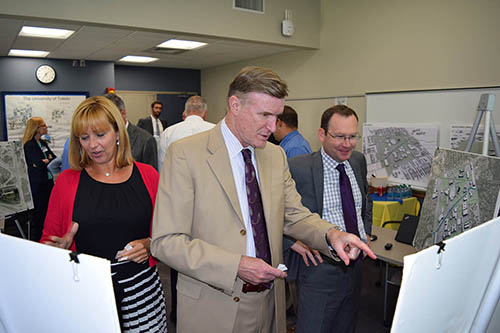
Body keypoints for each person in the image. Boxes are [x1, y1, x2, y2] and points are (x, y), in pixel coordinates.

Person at [151, 66, 375, 333]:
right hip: (214, 306)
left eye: (277, 116)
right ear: (235, 105)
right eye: (264, 115)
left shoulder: (274, 156)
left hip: (270, 303)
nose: (273, 127)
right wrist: (237, 265)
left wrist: (332, 235)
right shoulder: (186, 155)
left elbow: (295, 215)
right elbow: (166, 242)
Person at [40, 96, 167, 332]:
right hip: (88, 293)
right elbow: (48, 242)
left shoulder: (148, 176)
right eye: (84, 138)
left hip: (142, 292)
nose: (93, 145)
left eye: (100, 135)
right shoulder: (67, 182)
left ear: (117, 132)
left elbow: (166, 234)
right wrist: (58, 251)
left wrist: (150, 244)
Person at [287, 105, 372, 333]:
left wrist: (365, 234)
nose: (347, 144)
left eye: (352, 136)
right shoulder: (298, 168)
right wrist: (290, 242)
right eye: (340, 136)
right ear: (322, 134)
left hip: (355, 268)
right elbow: (275, 211)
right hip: (319, 269)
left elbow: (365, 200)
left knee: (346, 326)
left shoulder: (358, 161)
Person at [158, 95, 215, 170]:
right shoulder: (216, 130)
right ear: (205, 113)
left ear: (185, 112)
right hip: (209, 180)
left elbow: (162, 165)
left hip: (176, 179)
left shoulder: (168, 133)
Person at [104, 93, 159, 170]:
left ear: (122, 113)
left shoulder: (145, 140)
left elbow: (151, 177)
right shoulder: (98, 140)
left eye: (109, 116)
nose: (104, 121)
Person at [23, 117, 56, 242]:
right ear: (36, 129)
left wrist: (47, 160)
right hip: (38, 185)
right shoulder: (29, 145)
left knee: (48, 213)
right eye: (43, 125)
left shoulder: (43, 143)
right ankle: (38, 240)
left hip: (48, 183)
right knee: (39, 214)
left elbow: (54, 158)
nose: (46, 127)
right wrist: (47, 160)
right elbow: (37, 163)